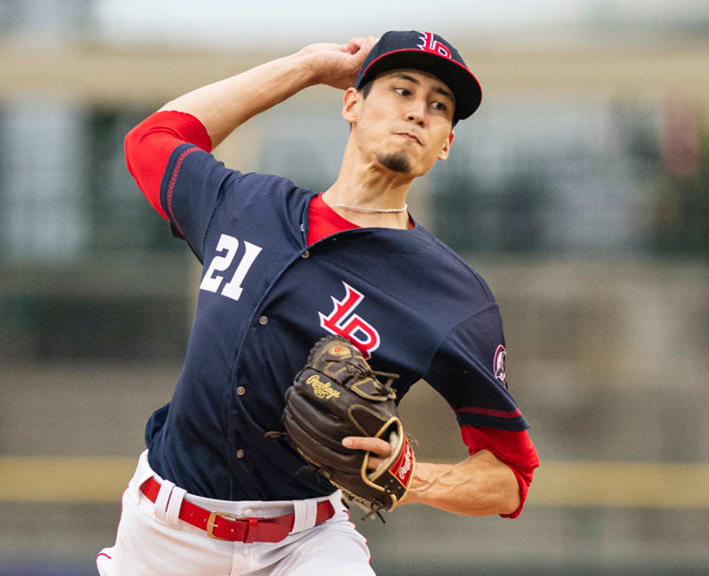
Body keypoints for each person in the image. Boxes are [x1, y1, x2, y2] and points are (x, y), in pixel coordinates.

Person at [97, 30, 540, 576]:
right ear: (351, 102)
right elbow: (154, 137)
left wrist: (411, 476)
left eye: (438, 106)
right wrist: (305, 68)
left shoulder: (452, 296)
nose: (418, 112)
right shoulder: (246, 205)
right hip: (161, 537)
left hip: (304, 545)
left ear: (445, 142)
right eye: (401, 90)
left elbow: (509, 477)